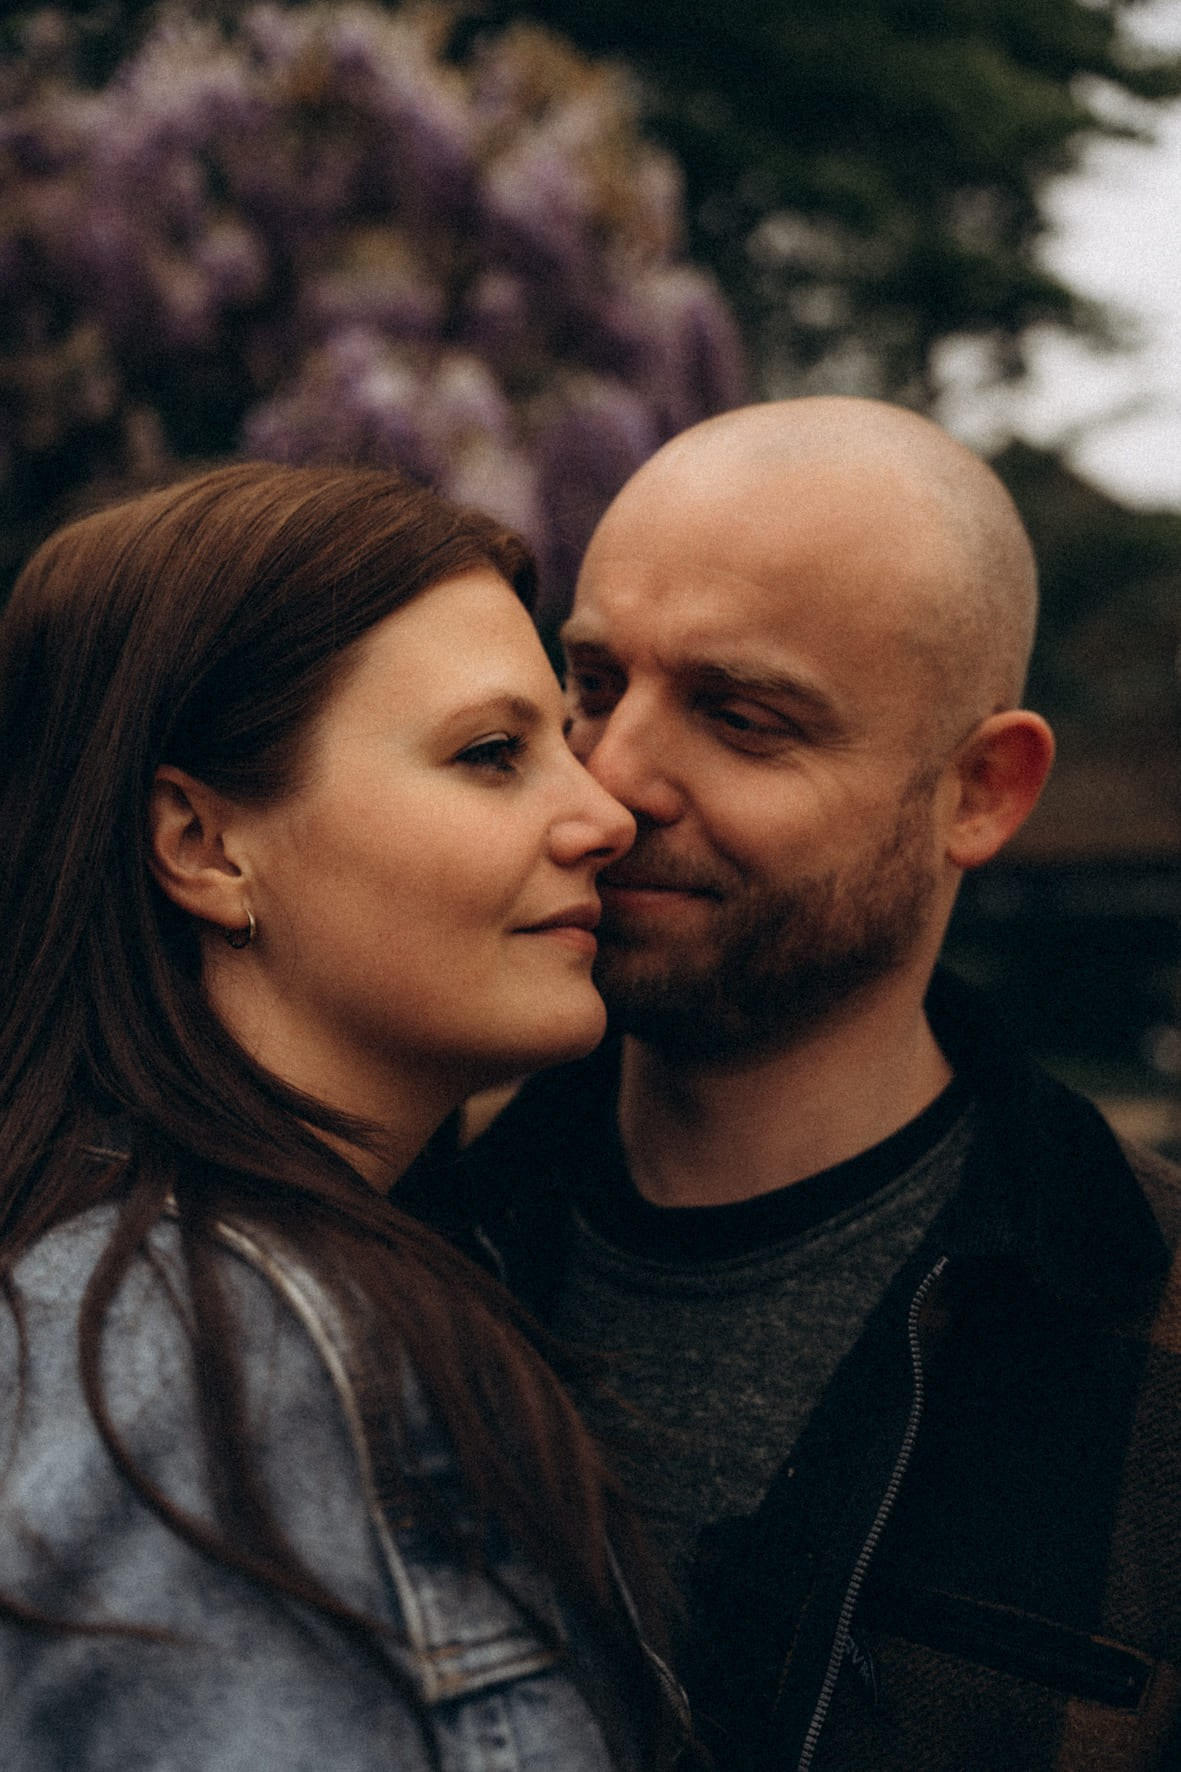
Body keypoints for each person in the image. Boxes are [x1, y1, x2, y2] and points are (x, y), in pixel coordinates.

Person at [427, 399, 1181, 1771]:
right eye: (591, 684)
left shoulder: (1147, 1311)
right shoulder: (392, 1223)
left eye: (742, 716)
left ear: (981, 790)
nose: (603, 785)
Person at [0, 461, 697, 1771]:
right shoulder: (233, 1358)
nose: (604, 816)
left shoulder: (98, 1276)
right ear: (204, 846)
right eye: (490, 755)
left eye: (563, 740)